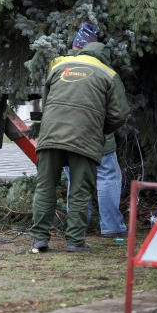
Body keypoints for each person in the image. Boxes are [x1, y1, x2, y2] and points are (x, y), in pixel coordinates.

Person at [29, 23, 129, 253]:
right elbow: (120, 114)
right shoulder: (108, 73)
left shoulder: (58, 66)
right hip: (84, 139)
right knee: (80, 190)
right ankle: (75, 242)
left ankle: (39, 239)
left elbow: (42, 103)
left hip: (50, 136)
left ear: (76, 47)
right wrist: (100, 129)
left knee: (45, 187)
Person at [63, 30, 128, 238]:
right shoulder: (101, 69)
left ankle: (77, 227)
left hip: (64, 134)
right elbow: (118, 111)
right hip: (96, 133)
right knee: (107, 176)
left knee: (75, 179)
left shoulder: (60, 67)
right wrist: (105, 130)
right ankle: (112, 227)